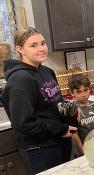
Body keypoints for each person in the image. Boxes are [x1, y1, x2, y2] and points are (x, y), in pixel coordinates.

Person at [0, 27, 77, 174]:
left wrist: (70, 112)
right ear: (20, 49)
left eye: (43, 43)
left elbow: (55, 103)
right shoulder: (20, 80)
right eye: (33, 45)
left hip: (58, 140)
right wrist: (61, 129)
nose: (42, 48)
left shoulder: (46, 71)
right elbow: (25, 123)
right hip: (40, 149)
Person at [67, 74, 94, 157]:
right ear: (72, 93)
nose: (83, 94)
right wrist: (83, 152)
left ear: (89, 89)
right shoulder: (72, 111)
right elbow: (74, 135)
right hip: (84, 151)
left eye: (85, 90)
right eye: (78, 92)